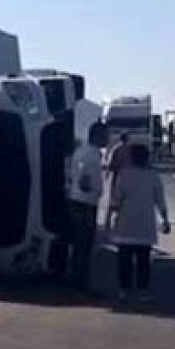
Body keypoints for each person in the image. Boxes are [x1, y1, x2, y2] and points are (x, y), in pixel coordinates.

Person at [106, 144, 170, 302]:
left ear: (131, 158)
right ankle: (143, 291)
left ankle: (124, 289)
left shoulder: (124, 175)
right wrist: (165, 220)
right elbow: (160, 201)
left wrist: (108, 220)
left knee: (124, 260)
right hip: (145, 225)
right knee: (143, 261)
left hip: (125, 224)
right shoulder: (153, 176)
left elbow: (115, 201)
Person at [66, 122, 105, 287]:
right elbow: (82, 173)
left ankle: (78, 278)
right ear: (96, 135)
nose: (108, 138)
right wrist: (85, 183)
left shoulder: (89, 152)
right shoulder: (89, 153)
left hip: (83, 202)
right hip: (84, 203)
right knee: (83, 243)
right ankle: (79, 281)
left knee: (82, 243)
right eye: (105, 135)